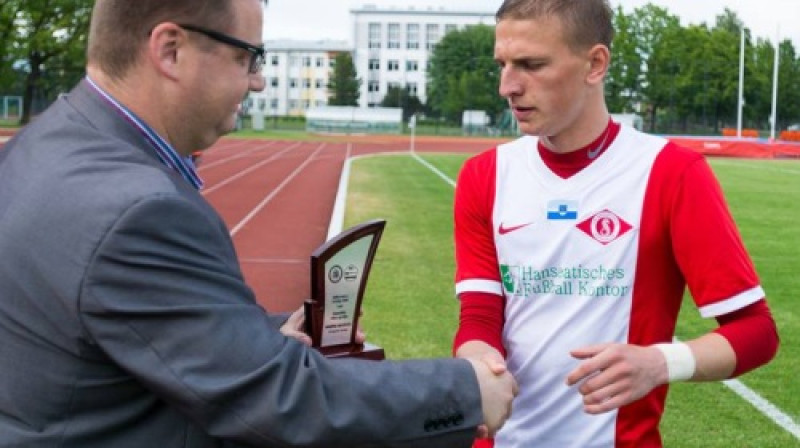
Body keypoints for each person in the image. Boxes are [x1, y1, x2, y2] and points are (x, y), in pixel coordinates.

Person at [0, 1, 517, 446]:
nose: (258, 79)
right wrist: (466, 391)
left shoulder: (38, 148)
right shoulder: (141, 210)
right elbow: (281, 399)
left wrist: (258, 337)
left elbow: (127, 328)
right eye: (247, 56)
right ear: (171, 50)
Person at [451, 0, 780, 447]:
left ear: (595, 63)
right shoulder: (483, 176)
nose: (507, 86)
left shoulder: (670, 173)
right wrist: (474, 359)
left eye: (531, 64)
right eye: (503, 64)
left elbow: (757, 331)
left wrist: (660, 363)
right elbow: (479, 316)